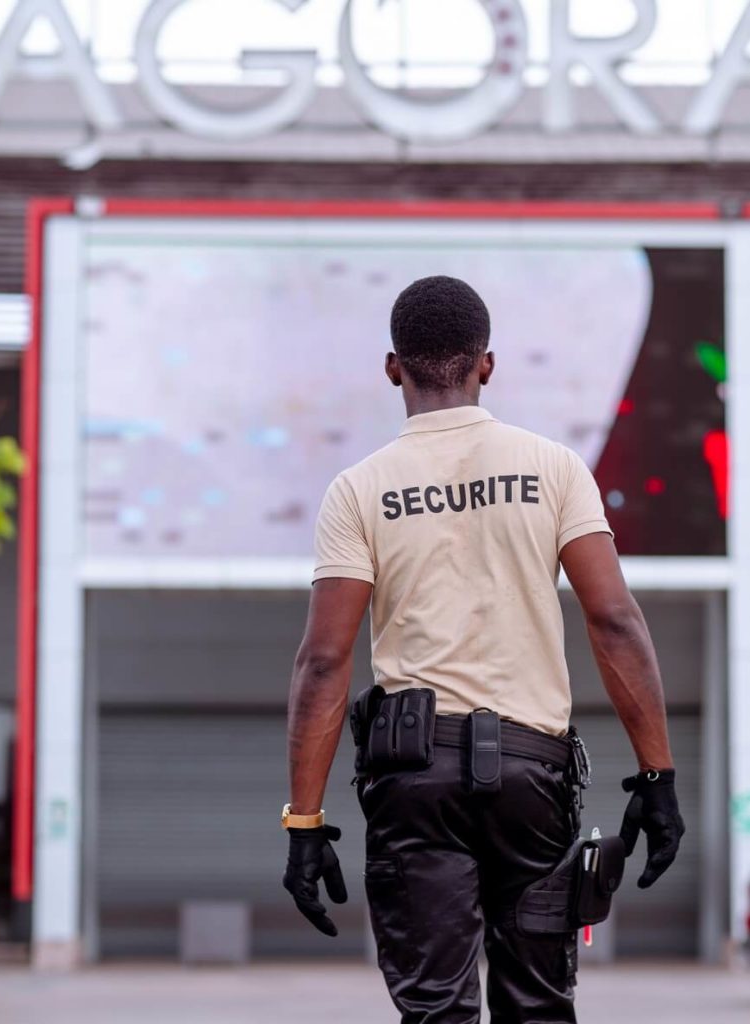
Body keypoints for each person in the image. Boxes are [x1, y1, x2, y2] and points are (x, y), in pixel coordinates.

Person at [282, 275, 685, 1024]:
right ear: (487, 365)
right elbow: (614, 621)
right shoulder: (554, 467)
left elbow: (323, 662)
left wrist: (303, 823)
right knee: (537, 1006)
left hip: (413, 781)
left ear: (392, 366)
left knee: (436, 1011)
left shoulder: (358, 489)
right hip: (530, 777)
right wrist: (655, 775)